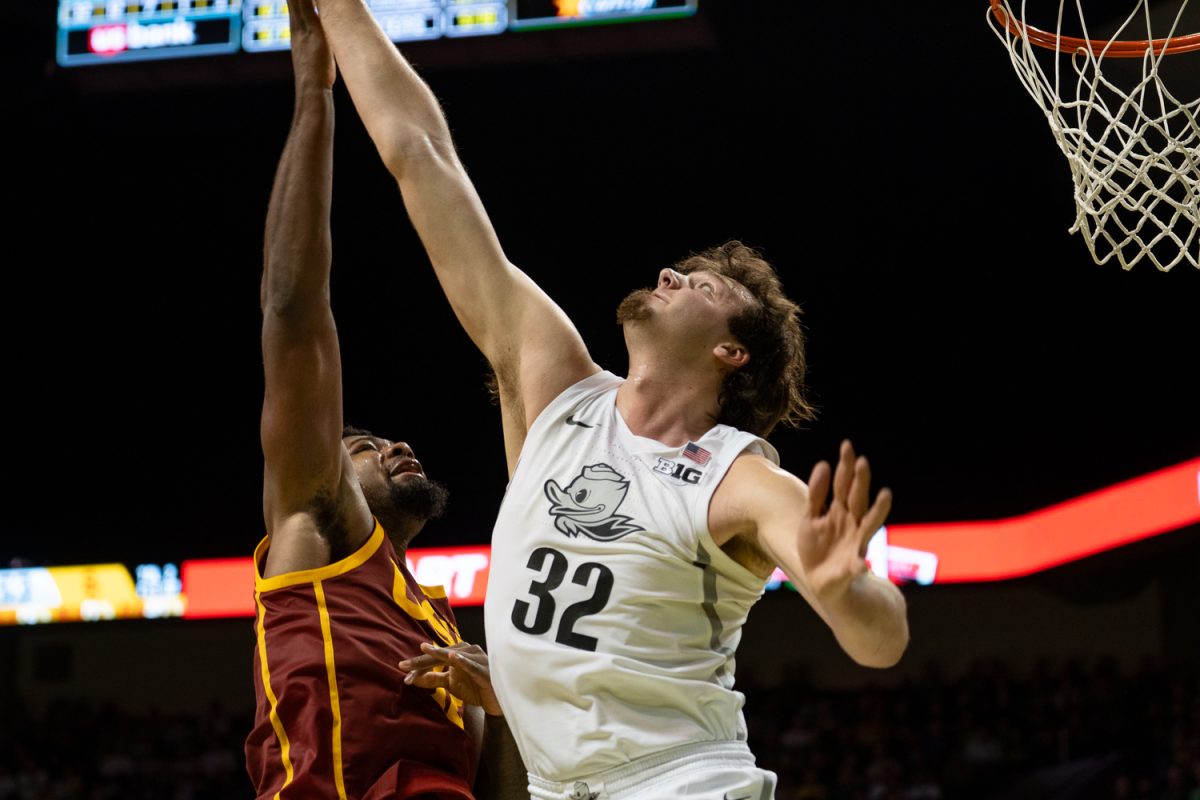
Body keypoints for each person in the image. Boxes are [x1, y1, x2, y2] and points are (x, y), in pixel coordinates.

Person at [313, 2, 910, 797]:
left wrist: (844, 592)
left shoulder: (741, 479)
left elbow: (883, 640)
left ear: (731, 353)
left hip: (681, 782)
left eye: (699, 285)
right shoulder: (555, 386)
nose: (669, 274)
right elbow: (422, 156)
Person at [244, 1, 523, 797]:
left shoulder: (440, 624)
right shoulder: (318, 525)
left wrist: (500, 713)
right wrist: (312, 94)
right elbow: (293, 312)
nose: (395, 445)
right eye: (364, 444)